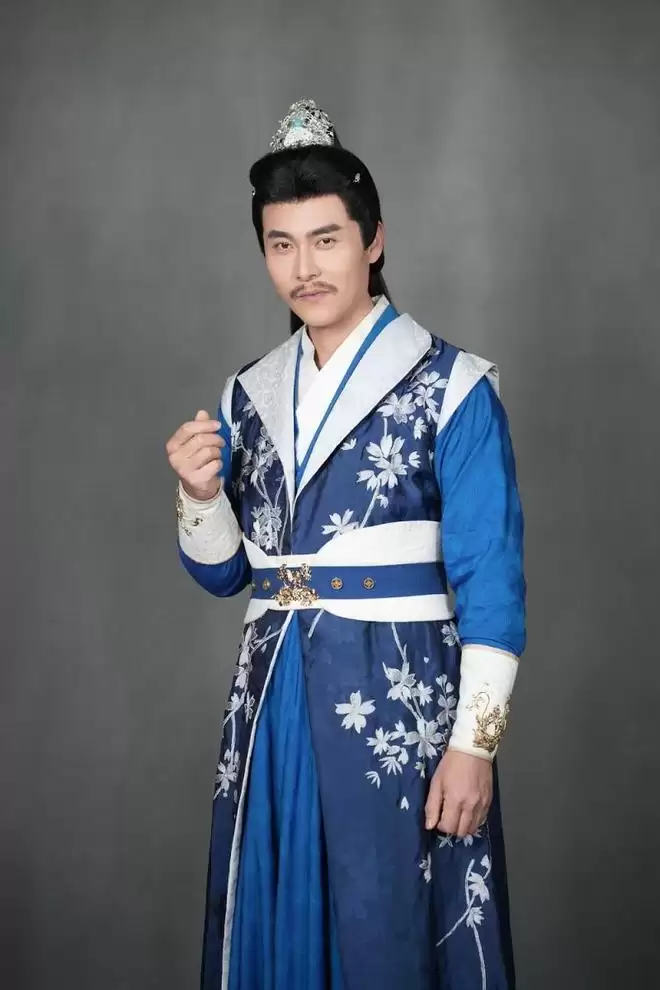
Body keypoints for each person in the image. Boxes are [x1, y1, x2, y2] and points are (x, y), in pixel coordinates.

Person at [165, 98, 526, 990]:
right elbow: (228, 574)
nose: (304, 267)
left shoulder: (452, 386)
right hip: (273, 699)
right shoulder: (250, 393)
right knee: (273, 916)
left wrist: (476, 744)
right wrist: (199, 495)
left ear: (373, 241)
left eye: (326, 240)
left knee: (389, 925)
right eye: (281, 245)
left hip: (397, 699)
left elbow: (492, 584)